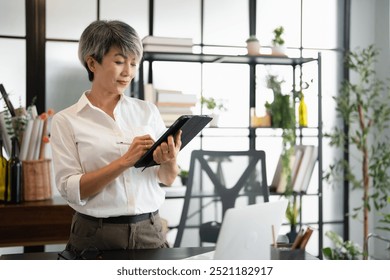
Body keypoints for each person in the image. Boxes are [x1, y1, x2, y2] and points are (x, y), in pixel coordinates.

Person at [50, 20, 182, 253]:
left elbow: (167, 179)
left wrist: (170, 158)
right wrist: (124, 162)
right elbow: (71, 190)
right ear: (92, 63)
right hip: (95, 235)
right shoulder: (66, 120)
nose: (128, 72)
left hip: (150, 230)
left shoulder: (147, 111)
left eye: (133, 63)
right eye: (120, 61)